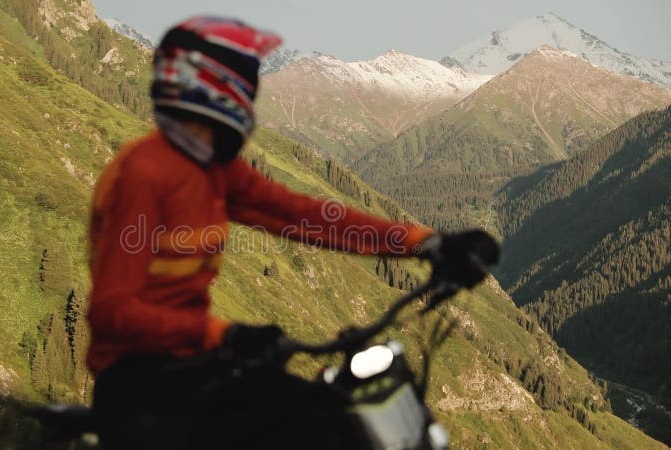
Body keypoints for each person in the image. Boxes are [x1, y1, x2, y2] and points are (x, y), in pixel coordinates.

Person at [85, 16, 495, 450]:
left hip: (198, 366)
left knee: (333, 416)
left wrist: (421, 242)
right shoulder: (144, 174)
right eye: (244, 82)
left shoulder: (213, 168)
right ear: (214, 84)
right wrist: (223, 335)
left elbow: (306, 216)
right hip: (142, 386)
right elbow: (112, 310)